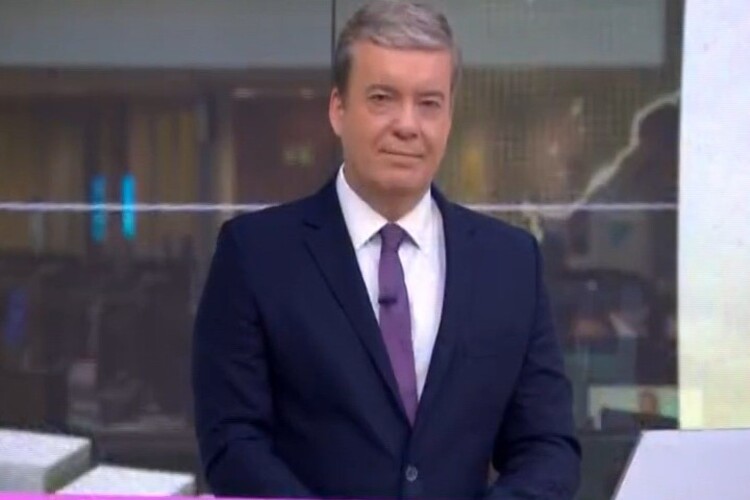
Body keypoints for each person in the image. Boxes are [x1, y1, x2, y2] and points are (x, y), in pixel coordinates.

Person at [192, 1, 580, 498]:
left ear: (449, 116)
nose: (407, 124)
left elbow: (548, 447)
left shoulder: (511, 264)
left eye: (429, 103)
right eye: (382, 98)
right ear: (338, 109)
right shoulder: (255, 256)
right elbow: (233, 443)